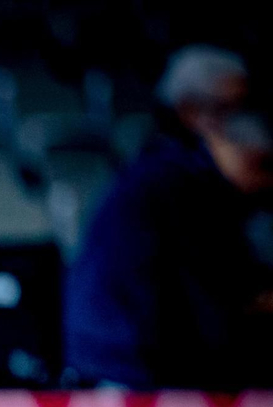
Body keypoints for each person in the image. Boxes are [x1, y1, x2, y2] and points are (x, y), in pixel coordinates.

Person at [65, 45, 273, 389]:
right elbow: (211, 313)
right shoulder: (171, 180)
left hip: (139, 358)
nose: (240, 122)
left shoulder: (178, 173)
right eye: (228, 109)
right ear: (189, 110)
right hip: (130, 367)